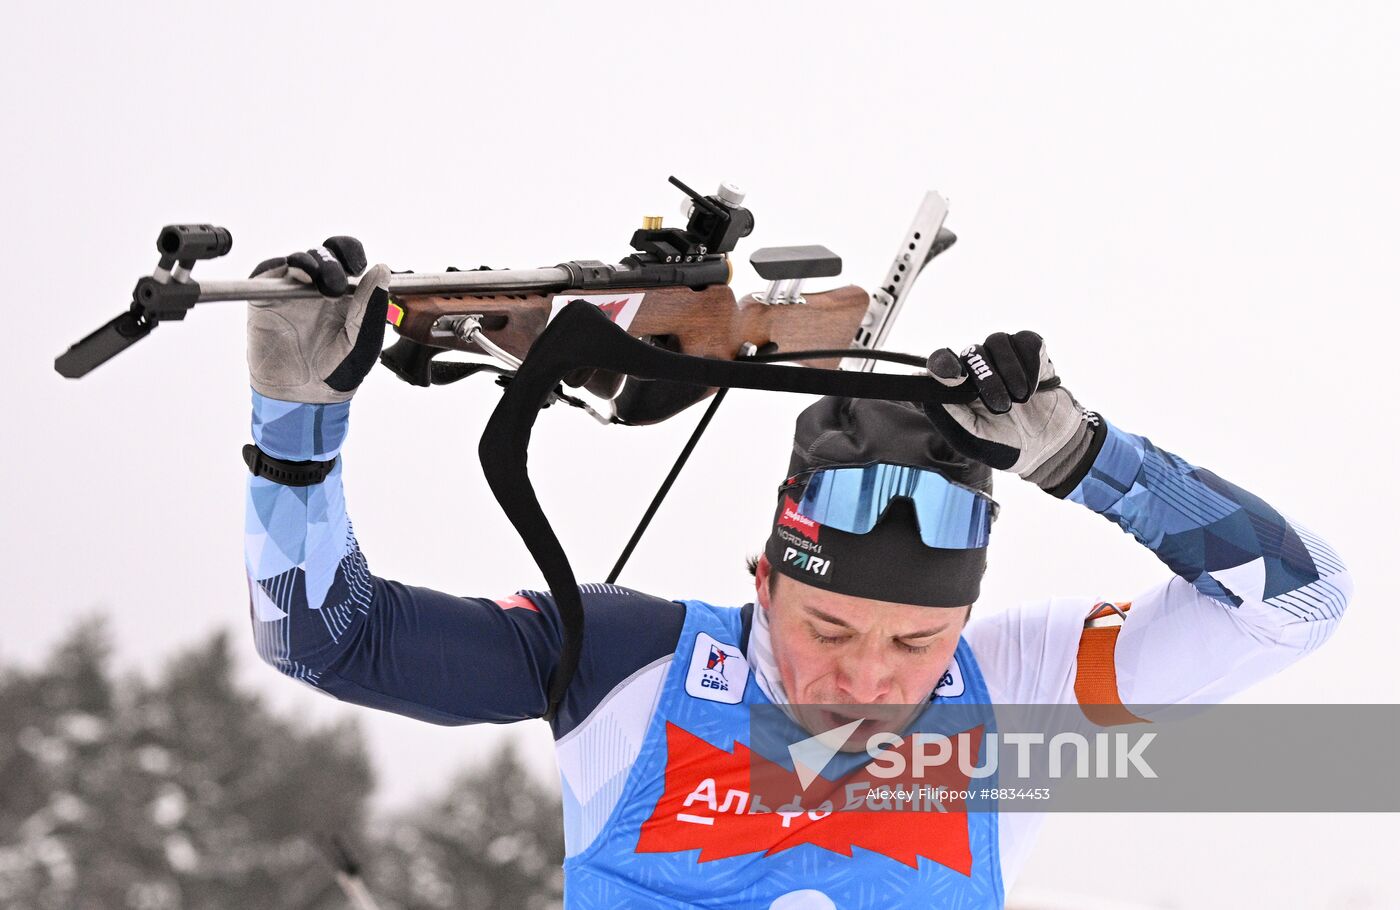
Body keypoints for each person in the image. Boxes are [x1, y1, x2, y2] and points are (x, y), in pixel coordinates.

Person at [243, 239, 1351, 909]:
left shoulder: (1015, 688)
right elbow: (326, 636)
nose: (868, 681)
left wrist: (1086, 459)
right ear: (761, 580)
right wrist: (296, 424)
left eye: (917, 644)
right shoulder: (631, 661)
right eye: (828, 627)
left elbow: (1294, 599)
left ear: (965, 617)